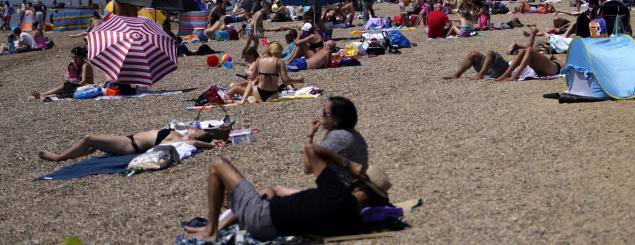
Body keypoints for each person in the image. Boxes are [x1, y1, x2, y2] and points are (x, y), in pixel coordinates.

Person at [183, 130, 391, 243]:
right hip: (274, 228)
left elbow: (312, 151)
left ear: (359, 184)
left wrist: (349, 164)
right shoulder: (353, 221)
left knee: (217, 164)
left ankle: (211, 229)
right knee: (269, 193)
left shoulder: (337, 193)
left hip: (261, 216)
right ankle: (224, 216)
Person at [38, 126, 226, 162]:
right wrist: (221, 133)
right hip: (129, 139)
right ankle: (65, 156)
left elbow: (194, 141)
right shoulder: (180, 131)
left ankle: (58, 157)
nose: (196, 128)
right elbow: (198, 132)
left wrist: (211, 145)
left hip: (130, 146)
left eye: (199, 130)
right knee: (94, 145)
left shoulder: (183, 139)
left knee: (89, 138)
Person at [303, 97, 368, 186]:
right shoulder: (355, 135)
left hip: (341, 193)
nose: (321, 116)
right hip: (357, 188)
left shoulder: (337, 138)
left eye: (324, 113)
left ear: (336, 120)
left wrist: (310, 134)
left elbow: (308, 167)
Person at [443, 50, 510, 80]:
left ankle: (480, 75)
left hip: (506, 69)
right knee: (474, 54)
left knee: (491, 52)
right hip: (490, 69)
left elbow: (521, 53)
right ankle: (456, 75)